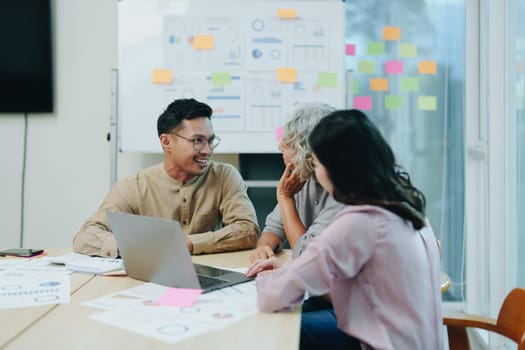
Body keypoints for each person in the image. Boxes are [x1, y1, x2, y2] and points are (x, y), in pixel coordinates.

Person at [246, 109, 443, 349]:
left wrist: (274, 279)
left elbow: (274, 296)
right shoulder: (407, 205)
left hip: (379, 339)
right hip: (413, 339)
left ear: (335, 168)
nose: (314, 171)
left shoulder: (360, 221)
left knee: (273, 327)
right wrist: (294, 268)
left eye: (316, 164)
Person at [73, 98, 258, 258]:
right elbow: (85, 236)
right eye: (198, 141)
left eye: (210, 141)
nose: (208, 150)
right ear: (166, 142)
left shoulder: (225, 176)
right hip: (153, 277)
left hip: (212, 274)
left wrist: (188, 243)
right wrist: (134, 247)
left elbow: (247, 230)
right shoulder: (134, 186)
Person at [249, 103, 345, 262]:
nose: (280, 146)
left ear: (305, 148)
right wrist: (264, 247)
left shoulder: (344, 191)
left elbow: (307, 256)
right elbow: (273, 229)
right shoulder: (299, 177)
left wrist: (285, 197)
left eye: (287, 142)